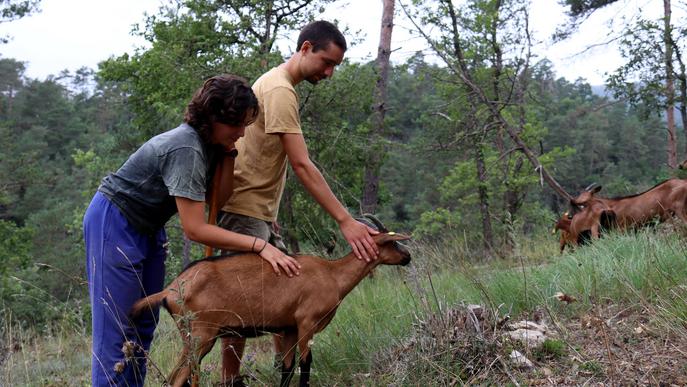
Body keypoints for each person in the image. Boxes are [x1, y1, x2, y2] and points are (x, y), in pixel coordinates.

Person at [82, 74, 301, 387]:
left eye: (245, 125)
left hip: (149, 228)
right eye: (236, 125)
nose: (241, 133)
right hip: (114, 221)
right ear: (213, 117)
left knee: (144, 324)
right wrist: (260, 245)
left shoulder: (212, 146)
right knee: (117, 330)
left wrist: (229, 152)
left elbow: (219, 200)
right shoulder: (186, 147)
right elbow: (196, 229)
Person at [216, 20, 379, 383]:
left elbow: (265, 155)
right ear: (305, 48)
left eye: (335, 66)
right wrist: (345, 220)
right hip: (242, 210)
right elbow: (303, 164)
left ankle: (284, 371)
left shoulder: (280, 85)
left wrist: (269, 212)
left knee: (282, 289)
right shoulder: (279, 91)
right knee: (239, 302)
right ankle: (230, 381)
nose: (330, 72)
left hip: (256, 209)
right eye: (326, 62)